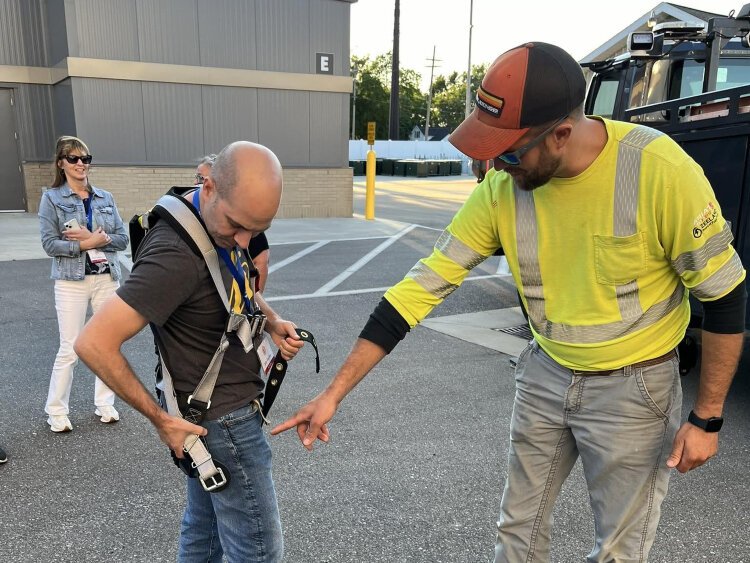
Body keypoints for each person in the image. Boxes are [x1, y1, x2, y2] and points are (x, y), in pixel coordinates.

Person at [272, 42, 747, 562]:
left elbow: (724, 296)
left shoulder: (657, 170)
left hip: (634, 389)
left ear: (561, 134)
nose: (495, 167)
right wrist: (333, 394)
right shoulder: (502, 188)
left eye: (510, 152)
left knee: (619, 549)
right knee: (516, 532)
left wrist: (707, 418)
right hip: (547, 372)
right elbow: (419, 289)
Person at [75, 141, 304, 562]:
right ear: (210, 184)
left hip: (207, 418)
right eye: (238, 226)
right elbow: (93, 343)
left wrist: (269, 319)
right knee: (258, 553)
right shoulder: (174, 255)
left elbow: (235, 284)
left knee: (204, 536)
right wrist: (160, 420)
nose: (245, 240)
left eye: (257, 229)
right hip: (224, 424)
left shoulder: (212, 217)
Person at [39, 135, 129, 433]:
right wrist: (87, 243)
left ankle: (105, 403)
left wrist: (97, 239)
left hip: (106, 278)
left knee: (106, 344)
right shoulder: (52, 199)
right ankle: (56, 410)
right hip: (71, 280)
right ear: (61, 163)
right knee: (71, 347)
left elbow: (121, 237)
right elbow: (50, 244)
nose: (81, 164)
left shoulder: (105, 197)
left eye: (85, 159)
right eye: (74, 159)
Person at [196, 154, 271, 293]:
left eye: (201, 178)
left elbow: (261, 260)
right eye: (197, 177)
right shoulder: (193, 214)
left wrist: (255, 302)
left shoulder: (238, 217)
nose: (196, 183)